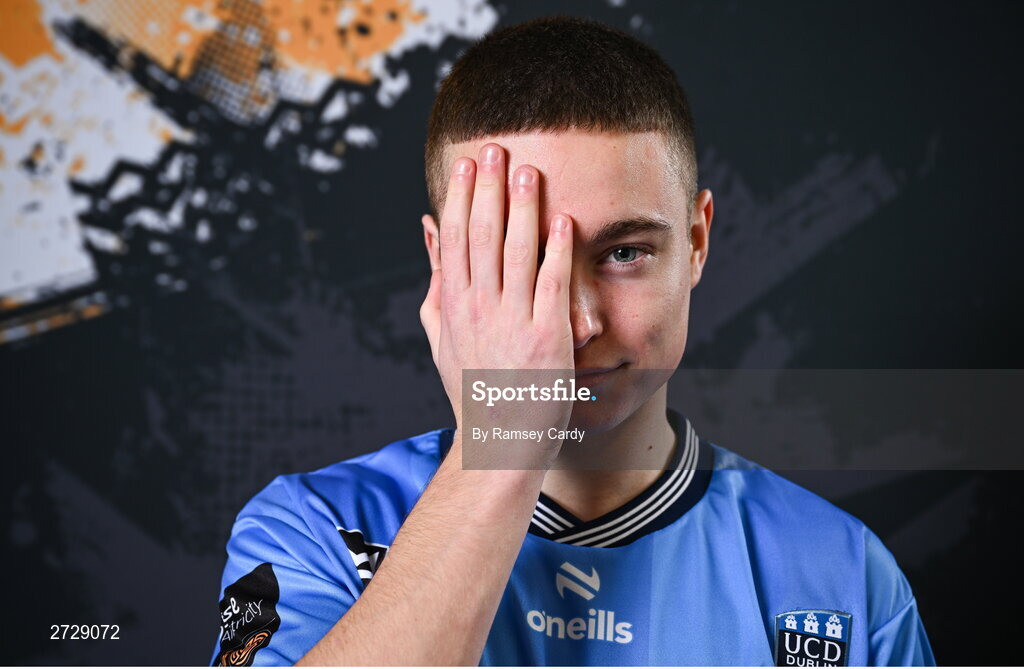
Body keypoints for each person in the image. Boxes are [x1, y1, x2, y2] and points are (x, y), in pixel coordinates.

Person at [210, 15, 935, 666]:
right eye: (519, 259)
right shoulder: (311, 530)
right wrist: (501, 432)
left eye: (624, 253)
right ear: (444, 263)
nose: (578, 322)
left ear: (697, 241)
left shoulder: (843, 576)